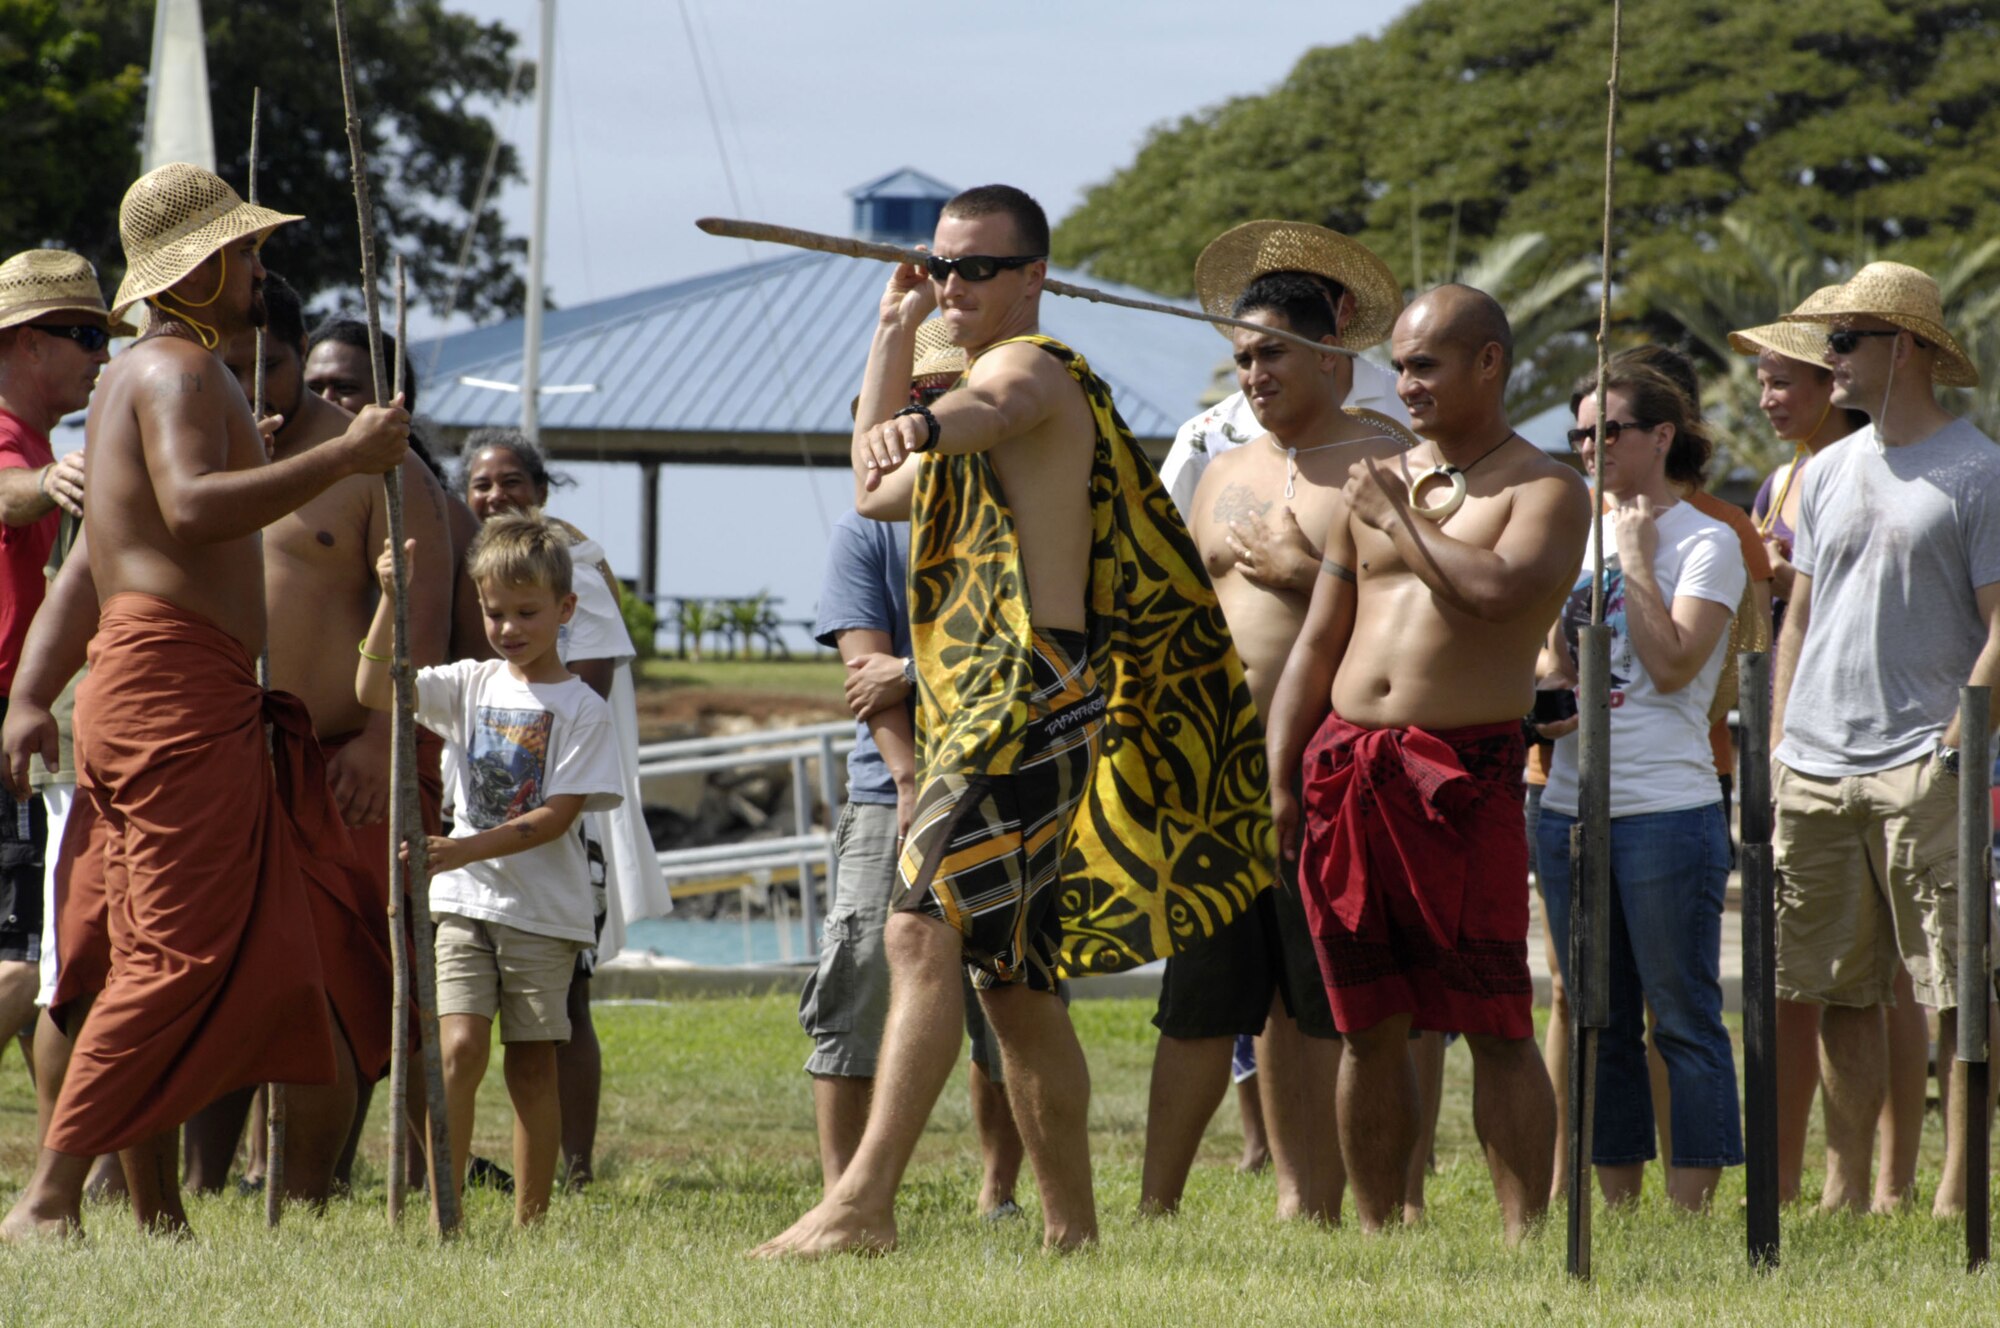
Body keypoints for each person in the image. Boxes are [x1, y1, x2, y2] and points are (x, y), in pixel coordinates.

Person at [757, 184, 1269, 1256]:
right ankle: (1071, 1233)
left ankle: (860, 1207)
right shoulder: (954, 370)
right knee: (1014, 980)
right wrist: (891, 338)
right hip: (998, 701)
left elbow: (977, 414)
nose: (955, 284)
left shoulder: (1029, 370)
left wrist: (918, 412)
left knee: (914, 928)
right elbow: (871, 487)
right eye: (942, 266)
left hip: (1028, 696)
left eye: (978, 267)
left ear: (1033, 274)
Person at [0, 162, 410, 1241]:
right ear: (205, 263)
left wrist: (34, 693)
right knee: (178, 951)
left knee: (144, 945)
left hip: (149, 681)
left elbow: (91, 568)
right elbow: (189, 509)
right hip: (177, 687)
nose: (262, 272)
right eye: (249, 253)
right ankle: (46, 1198)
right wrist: (348, 457)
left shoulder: (142, 375)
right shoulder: (179, 368)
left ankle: (157, 1205)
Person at [1263, 284, 1591, 1242]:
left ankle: (1527, 1233)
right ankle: (1377, 1232)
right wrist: (1281, 777)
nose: (1404, 384)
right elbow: (1317, 649)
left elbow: (1498, 594)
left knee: (1496, 1018)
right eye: (1398, 366)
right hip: (1347, 772)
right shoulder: (1377, 483)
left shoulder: (1544, 488)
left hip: (1467, 775)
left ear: (1489, 363)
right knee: (1367, 1022)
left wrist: (1402, 518)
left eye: (1425, 365)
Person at [1142, 221, 1414, 1224]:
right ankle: (1154, 1210)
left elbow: (1419, 624)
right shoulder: (1218, 470)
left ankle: (1312, 1204)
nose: (1252, 372)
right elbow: (1177, 622)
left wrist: (1310, 574)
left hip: (1339, 775)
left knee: (1318, 1004)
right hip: (1216, 775)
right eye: (1241, 356)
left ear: (1331, 354)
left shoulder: (1388, 464)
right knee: (1197, 1002)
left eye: (1270, 352)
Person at [168, 272, 455, 1196]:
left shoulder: (385, 468)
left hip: (345, 763)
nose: (258, 391)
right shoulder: (194, 455)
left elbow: (427, 623)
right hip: (224, 753)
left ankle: (306, 1186)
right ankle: (205, 1182)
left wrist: (378, 738)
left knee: (338, 979)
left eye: (275, 367)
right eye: (236, 368)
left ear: (300, 360)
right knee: (215, 978)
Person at [1770, 262, 2000, 1218]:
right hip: (1815, 765)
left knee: (1956, 988)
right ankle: (1847, 1186)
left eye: (1842, 343)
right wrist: (1782, 735)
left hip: (1924, 761)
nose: (1828, 362)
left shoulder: (1980, 470)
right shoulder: (1823, 470)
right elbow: (1799, 620)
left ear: (1901, 347)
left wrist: (1957, 744)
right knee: (1836, 989)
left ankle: (1957, 1190)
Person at [803, 320, 1031, 1219]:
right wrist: (902, 781)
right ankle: (846, 1194)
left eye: (953, 398)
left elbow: (1037, 646)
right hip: (883, 792)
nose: (933, 414)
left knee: (1002, 999)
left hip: (1004, 778)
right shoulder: (865, 535)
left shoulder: (1026, 511)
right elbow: (868, 679)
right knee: (855, 987)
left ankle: (999, 1190)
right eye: (921, 398)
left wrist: (914, 665)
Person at [357, 513, 623, 1225]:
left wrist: (460, 848)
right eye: (494, 612)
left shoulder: (581, 709)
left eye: (527, 612)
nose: (508, 628)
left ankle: (530, 1218)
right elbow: (375, 689)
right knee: (458, 1047)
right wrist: (390, 599)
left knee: (532, 1064)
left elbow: (554, 817)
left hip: (543, 914)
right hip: (465, 904)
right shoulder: (469, 684)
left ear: (566, 611)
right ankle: (447, 1205)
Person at [1537, 361, 1747, 1212]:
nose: (1591, 447)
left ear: (1662, 436)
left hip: (1666, 809)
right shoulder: (1568, 534)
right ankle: (1616, 1208)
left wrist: (1635, 558)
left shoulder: (1709, 540)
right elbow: (1549, 670)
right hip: (1566, 806)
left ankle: (1689, 1210)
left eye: (1609, 430)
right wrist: (1545, 687)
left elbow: (1670, 666)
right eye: (1580, 434)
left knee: (1684, 1017)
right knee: (1597, 1018)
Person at [1729, 311, 1921, 1211]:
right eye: (1762, 380)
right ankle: (1814, 1178)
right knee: (1817, 979)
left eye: (1787, 379)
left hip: (1899, 743)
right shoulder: (1787, 480)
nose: (1770, 397)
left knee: (1902, 978)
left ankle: (1900, 1179)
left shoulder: (1884, 470)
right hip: (1807, 736)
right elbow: (1787, 620)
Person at [457, 429, 673, 1189]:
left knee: (567, 997)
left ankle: (573, 1168)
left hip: (563, 811)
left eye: (511, 481)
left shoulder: (575, 566)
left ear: (541, 490)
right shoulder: (475, 573)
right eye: (480, 484)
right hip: (484, 817)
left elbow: (580, 694)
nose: (495, 496)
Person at [0, 251, 111, 1081]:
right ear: (25, 343)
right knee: (26, 957)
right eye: (84, 335)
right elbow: (7, 493)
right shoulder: (18, 449)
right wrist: (51, 479)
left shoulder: (35, 442)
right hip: (10, 723)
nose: (101, 356)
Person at [1158, 217, 1410, 514]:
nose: (1283, 305)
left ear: (1345, 310)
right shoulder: (1205, 439)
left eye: (1301, 297)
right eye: (1270, 293)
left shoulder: (1412, 407)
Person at [309, 316, 490, 668]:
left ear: (395, 402)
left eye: (344, 388)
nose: (326, 401)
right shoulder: (279, 493)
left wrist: (385, 724)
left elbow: (476, 656)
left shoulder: (446, 517)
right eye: (313, 389)